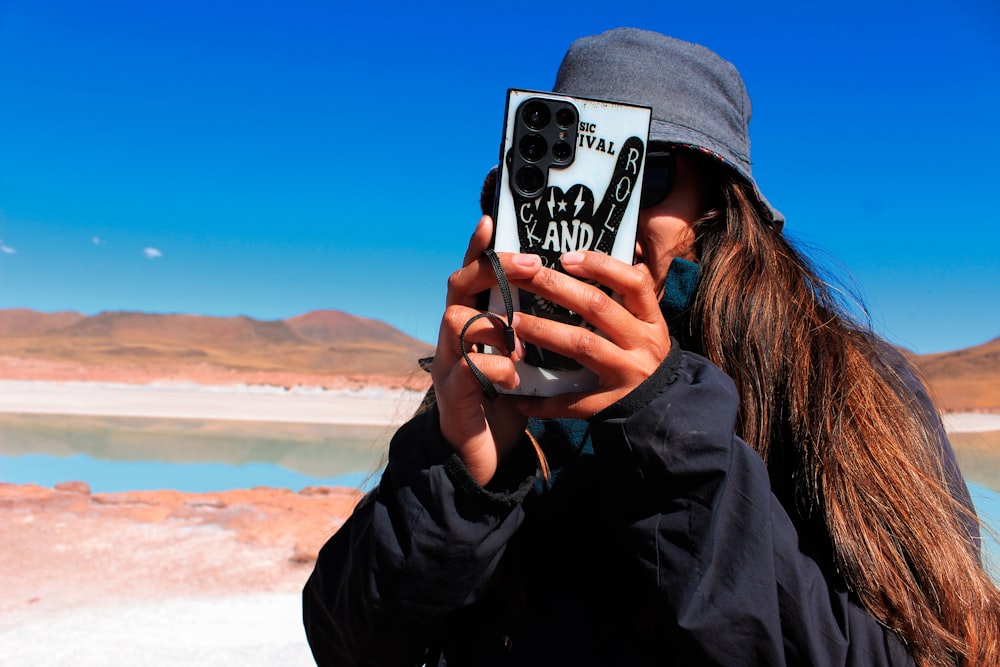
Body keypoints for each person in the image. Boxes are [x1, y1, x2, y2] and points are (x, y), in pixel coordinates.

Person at [303, 28, 1000, 666]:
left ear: (716, 208)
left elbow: (933, 651)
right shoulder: (505, 374)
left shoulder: (841, 383)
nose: (605, 209)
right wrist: (459, 477)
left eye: (647, 171)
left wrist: (665, 435)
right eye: (564, 173)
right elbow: (347, 643)